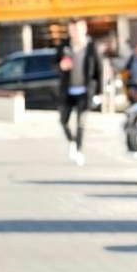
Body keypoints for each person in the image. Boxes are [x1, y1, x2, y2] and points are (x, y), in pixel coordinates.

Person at [56, 20, 101, 165]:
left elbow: (99, 70)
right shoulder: (64, 46)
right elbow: (54, 62)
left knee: (81, 123)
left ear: (84, 29)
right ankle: (72, 142)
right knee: (63, 120)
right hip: (67, 91)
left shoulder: (91, 47)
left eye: (77, 29)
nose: (74, 33)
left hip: (84, 92)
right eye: (72, 30)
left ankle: (79, 151)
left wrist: (99, 93)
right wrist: (60, 65)